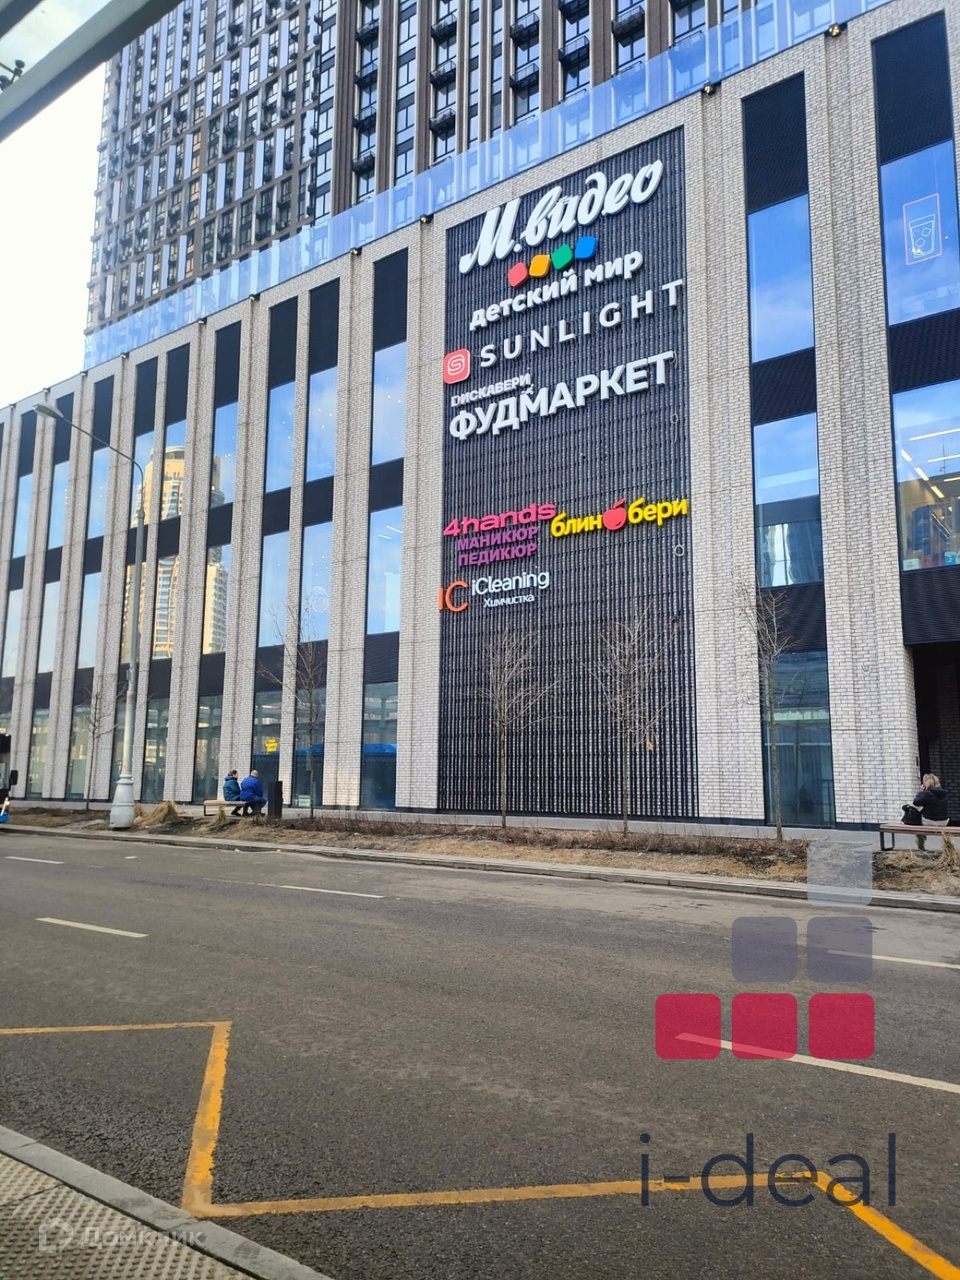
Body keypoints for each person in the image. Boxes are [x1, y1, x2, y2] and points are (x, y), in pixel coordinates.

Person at [911, 773, 950, 851]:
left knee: (917, 819)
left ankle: (921, 845)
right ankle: (948, 847)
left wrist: (921, 792)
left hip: (929, 821)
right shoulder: (944, 794)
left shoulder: (926, 794)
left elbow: (916, 802)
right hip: (944, 821)